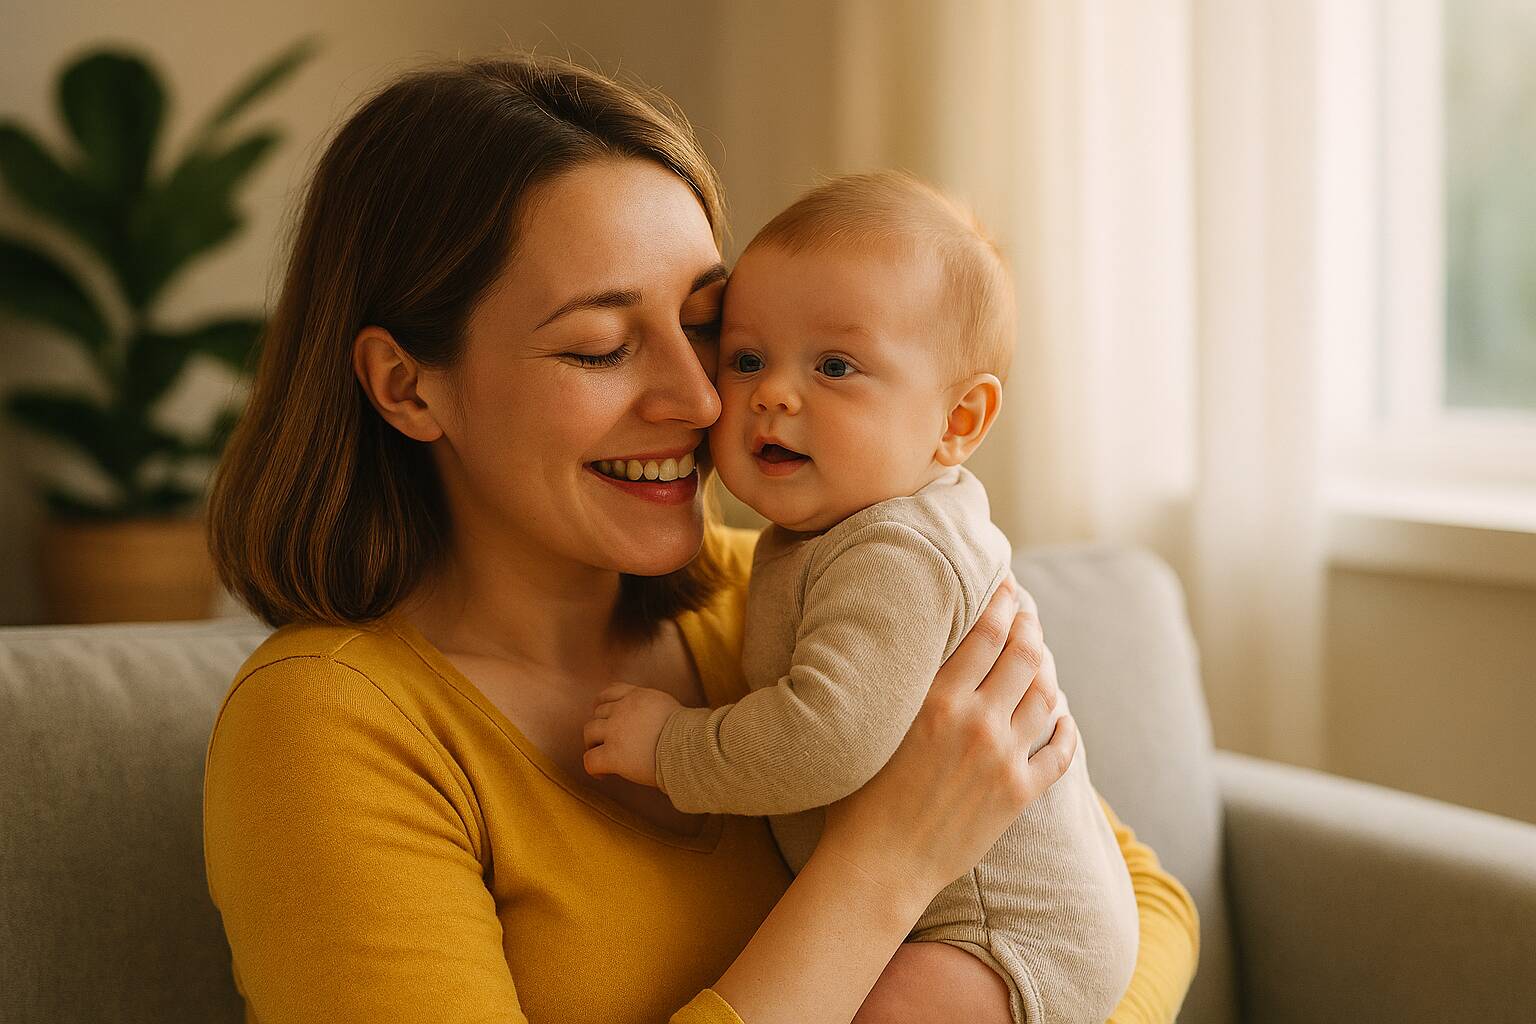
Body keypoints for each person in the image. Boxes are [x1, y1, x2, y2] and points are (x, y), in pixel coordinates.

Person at [202, 52, 1199, 1024]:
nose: (699, 396)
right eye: (600, 345)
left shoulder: (789, 585)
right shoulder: (331, 724)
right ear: (407, 386)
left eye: (710, 327)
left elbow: (1141, 903)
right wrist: (884, 868)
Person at [581, 170, 1139, 1024]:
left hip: (995, 932)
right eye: (745, 358)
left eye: (835, 365)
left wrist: (673, 748)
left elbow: (827, 737)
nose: (772, 392)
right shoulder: (819, 537)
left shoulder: (893, 548)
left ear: (958, 423)